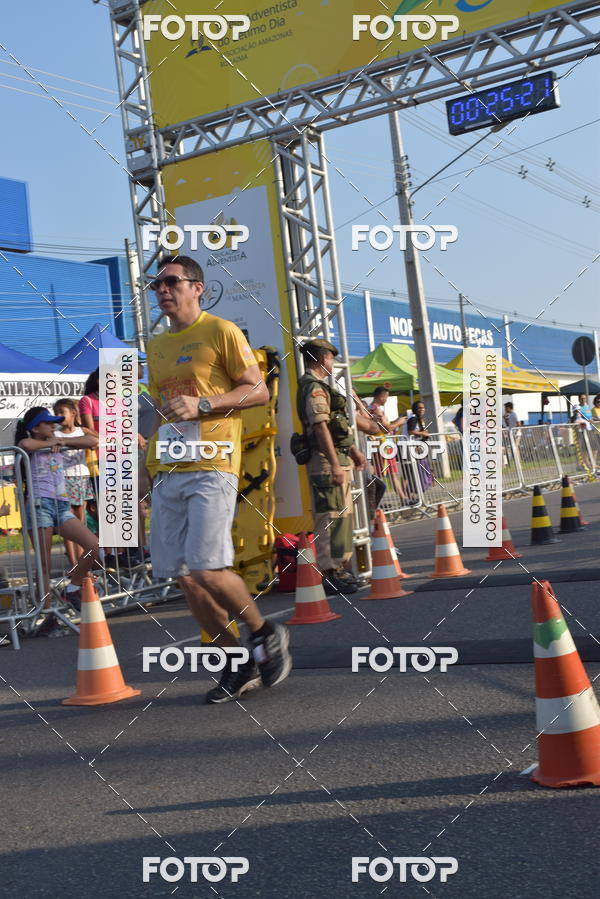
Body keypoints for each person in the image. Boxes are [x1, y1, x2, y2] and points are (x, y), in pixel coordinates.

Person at [145, 254, 291, 704]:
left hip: (212, 462)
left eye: (171, 282)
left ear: (196, 287)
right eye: (156, 285)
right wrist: (143, 473)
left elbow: (257, 389)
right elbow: (163, 413)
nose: (162, 290)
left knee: (207, 568)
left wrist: (204, 406)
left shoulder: (220, 331)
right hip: (169, 468)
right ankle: (236, 662)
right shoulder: (155, 346)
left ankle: (264, 632)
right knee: (183, 577)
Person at [15, 406, 100, 634]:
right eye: (48, 423)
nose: (53, 426)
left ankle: (72, 588)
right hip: (39, 506)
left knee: (93, 544)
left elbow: (90, 441)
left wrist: (60, 441)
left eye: (54, 422)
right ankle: (47, 613)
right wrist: (51, 443)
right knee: (44, 564)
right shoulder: (30, 445)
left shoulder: (58, 440)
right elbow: (26, 445)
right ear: (35, 428)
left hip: (61, 506)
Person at [296, 338, 367, 596]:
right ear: (323, 358)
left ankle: (339, 569)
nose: (333, 363)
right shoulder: (312, 387)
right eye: (331, 358)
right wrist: (336, 464)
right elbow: (320, 427)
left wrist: (353, 452)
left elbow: (336, 428)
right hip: (325, 462)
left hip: (335, 458)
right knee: (329, 516)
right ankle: (329, 573)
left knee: (341, 516)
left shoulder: (318, 387)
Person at [53, 399, 95, 568]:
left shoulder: (81, 430)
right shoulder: (56, 434)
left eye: (61, 412)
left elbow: (95, 439)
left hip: (82, 478)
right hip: (65, 479)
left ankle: (83, 565)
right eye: (55, 413)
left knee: (80, 521)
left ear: (73, 413)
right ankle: (74, 564)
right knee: (68, 523)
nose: (58, 416)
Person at [367, 386, 413, 504]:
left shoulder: (370, 408)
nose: (386, 400)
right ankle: (378, 504)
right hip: (383, 445)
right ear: (381, 396)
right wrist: (399, 422)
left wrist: (393, 422)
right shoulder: (376, 409)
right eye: (386, 397)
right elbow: (386, 429)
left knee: (390, 474)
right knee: (385, 475)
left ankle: (403, 499)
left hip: (382, 445)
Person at [406, 401, 433, 491]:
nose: (422, 409)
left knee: (423, 468)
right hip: (412, 447)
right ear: (415, 409)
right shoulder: (413, 418)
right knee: (412, 472)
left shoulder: (419, 419)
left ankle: (421, 491)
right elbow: (410, 431)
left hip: (419, 447)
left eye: (423, 407)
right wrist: (422, 433)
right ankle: (409, 494)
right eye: (419, 408)